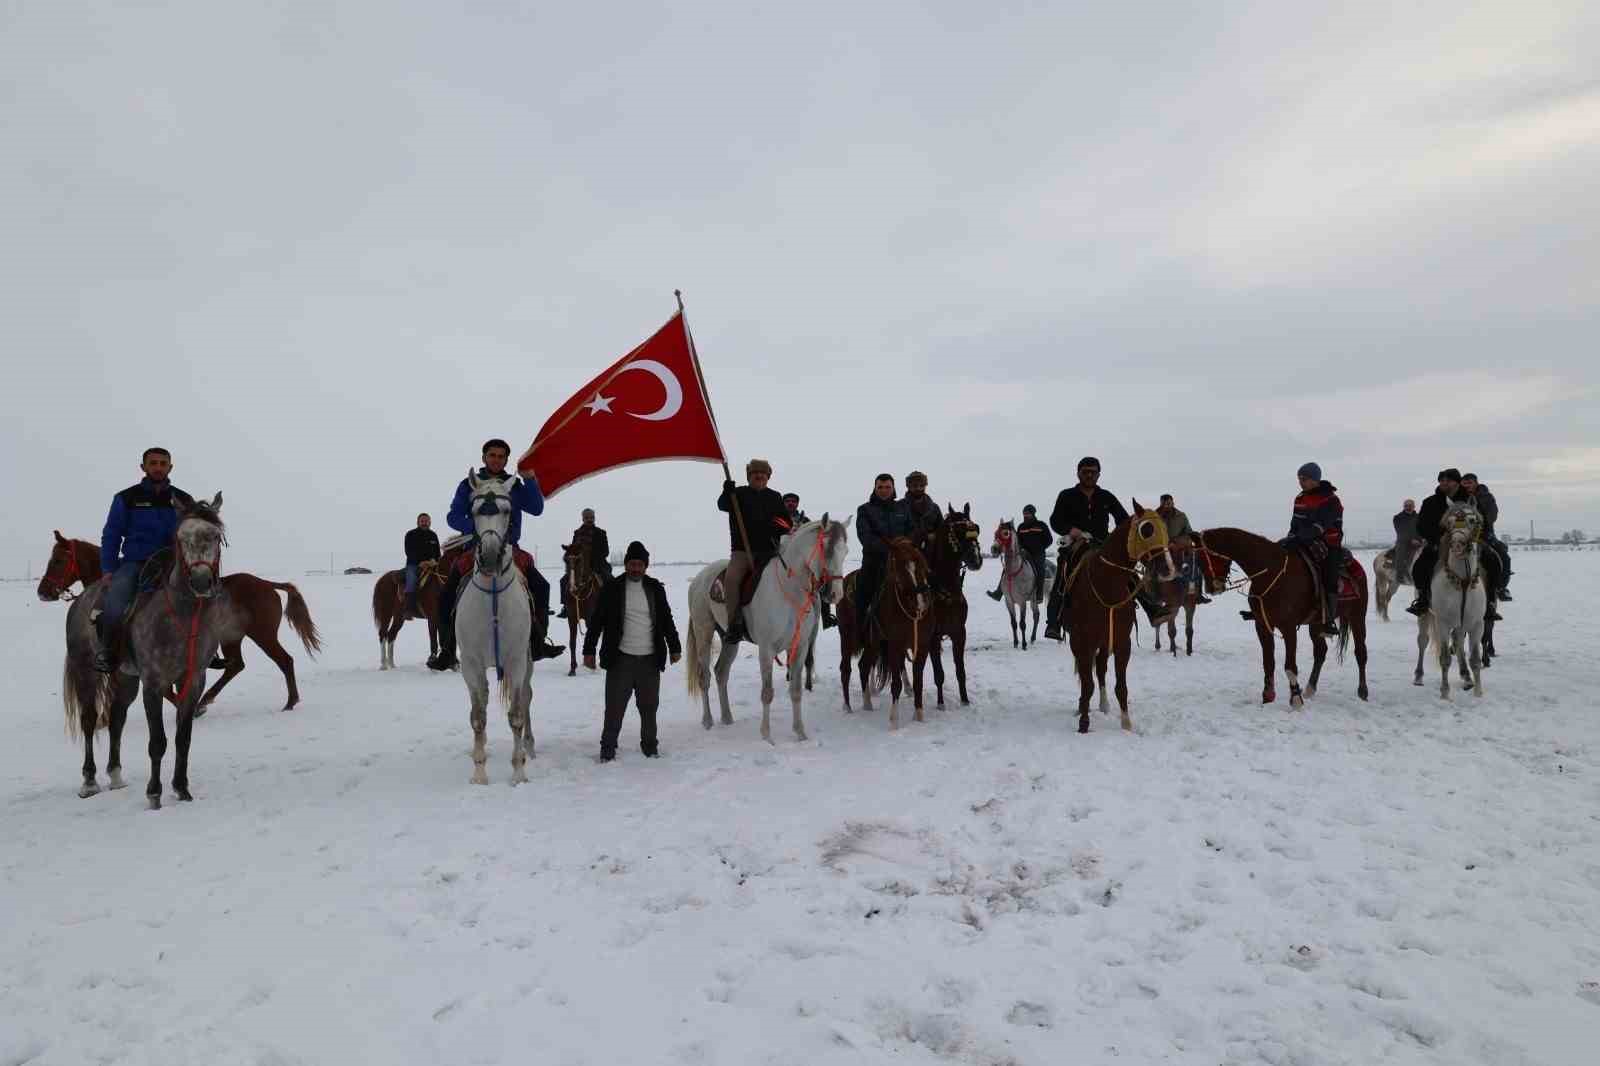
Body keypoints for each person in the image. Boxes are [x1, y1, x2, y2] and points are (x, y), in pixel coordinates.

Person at [427, 438, 564, 670]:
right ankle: (448, 650)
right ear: (484, 458)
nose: (496, 460)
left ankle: (538, 642)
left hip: (511, 548)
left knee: (541, 586)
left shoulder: (514, 485)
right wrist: (476, 527)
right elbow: (453, 517)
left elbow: (537, 509)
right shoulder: (469, 485)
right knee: (446, 594)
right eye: (492, 455)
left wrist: (530, 479)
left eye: (501, 456)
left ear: (506, 460)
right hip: (474, 548)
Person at [1044, 456, 1170, 640]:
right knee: (1063, 576)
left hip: (1102, 544)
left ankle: (1152, 609)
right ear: (1078, 473)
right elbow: (1055, 520)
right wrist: (1072, 530)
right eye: (1085, 472)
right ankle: (1053, 623)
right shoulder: (1066, 495)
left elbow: (1122, 519)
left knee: (1127, 572)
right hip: (1076, 545)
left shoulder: (1106, 496)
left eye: (1093, 472)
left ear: (1098, 474)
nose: (1089, 475)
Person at [93, 447, 195, 673]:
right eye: (153, 463)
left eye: (162, 463)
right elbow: (111, 534)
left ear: (170, 467)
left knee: (202, 598)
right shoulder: (126, 498)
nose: (158, 467)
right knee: (116, 599)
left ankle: (207, 651)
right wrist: (109, 568)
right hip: (136, 563)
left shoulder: (184, 500)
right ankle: (109, 652)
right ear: (143, 467)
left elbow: (193, 533)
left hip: (173, 564)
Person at [583, 541, 682, 762]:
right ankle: (608, 748)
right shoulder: (612, 588)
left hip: (649, 660)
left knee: (649, 707)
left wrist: (674, 646)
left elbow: (666, 619)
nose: (635, 568)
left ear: (646, 566)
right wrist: (588, 650)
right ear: (626, 564)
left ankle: (649, 746)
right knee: (614, 708)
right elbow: (597, 620)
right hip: (620, 660)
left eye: (640, 564)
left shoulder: (655, 588)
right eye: (632, 564)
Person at [717, 459, 793, 643]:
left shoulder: (775, 497)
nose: (759, 476)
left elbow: (786, 523)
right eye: (755, 474)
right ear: (749, 476)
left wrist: (772, 527)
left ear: (768, 477)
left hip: (769, 552)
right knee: (732, 580)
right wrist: (727, 491)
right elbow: (722, 505)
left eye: (763, 474)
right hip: (742, 552)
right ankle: (734, 624)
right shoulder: (738, 494)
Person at [1280, 463, 1344, 636]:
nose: (1301, 482)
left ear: (1315, 479)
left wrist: (1299, 539)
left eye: (1304, 479)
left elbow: (1320, 526)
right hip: (1302, 540)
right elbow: (1295, 523)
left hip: (1328, 543)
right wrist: (1290, 538)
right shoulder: (1300, 498)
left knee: (1329, 574)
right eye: (1299, 479)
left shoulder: (1331, 499)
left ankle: (1328, 619)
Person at [855, 473, 915, 631]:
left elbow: (912, 531)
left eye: (887, 487)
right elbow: (865, 536)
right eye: (880, 487)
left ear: (893, 488)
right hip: (874, 562)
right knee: (863, 588)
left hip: (902, 560)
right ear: (874, 489)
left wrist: (904, 546)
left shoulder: (903, 508)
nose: (884, 490)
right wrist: (889, 549)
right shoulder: (865, 510)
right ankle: (861, 626)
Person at [1460, 473, 1512, 600]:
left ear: (1476, 483)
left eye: (1470, 483)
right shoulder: (1458, 498)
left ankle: (1501, 587)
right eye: (1464, 483)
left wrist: (1480, 524)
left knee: (1503, 555)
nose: (1467, 486)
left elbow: (1492, 515)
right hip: (1462, 533)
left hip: (1484, 533)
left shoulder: (1486, 497)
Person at [987, 504, 1052, 604]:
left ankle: (1039, 594)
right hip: (1024, 553)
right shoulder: (1021, 527)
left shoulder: (1041, 525)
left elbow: (1049, 540)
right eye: (1024, 514)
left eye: (1027, 514)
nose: (1025, 516)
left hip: (1037, 554)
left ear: (1033, 514)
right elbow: (1018, 541)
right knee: (1008, 568)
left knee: (1040, 569)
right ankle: (998, 593)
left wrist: (1040, 548)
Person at [557, 508, 612, 617]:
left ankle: (611, 605)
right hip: (579, 566)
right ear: (583, 518)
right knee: (564, 580)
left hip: (598, 565)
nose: (589, 519)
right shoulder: (577, 533)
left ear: (594, 518)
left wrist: (592, 559)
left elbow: (605, 551)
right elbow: (572, 549)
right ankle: (566, 606)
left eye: (591, 517)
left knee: (609, 579)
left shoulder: (601, 533)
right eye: (587, 517)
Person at [1157, 494, 1210, 604]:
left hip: (1179, 548)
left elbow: (1188, 533)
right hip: (1160, 549)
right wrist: (1164, 543)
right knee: (1151, 569)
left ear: (1173, 502)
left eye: (1169, 503)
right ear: (1161, 504)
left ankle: (1197, 594)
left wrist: (1176, 542)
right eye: (1165, 503)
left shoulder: (1181, 516)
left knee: (1195, 566)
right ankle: (1152, 595)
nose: (1168, 505)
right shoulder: (1155, 517)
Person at [403, 513, 441, 616]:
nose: (424, 523)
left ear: (430, 522)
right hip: (414, 565)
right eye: (422, 521)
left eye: (426, 521)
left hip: (432, 565)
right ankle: (408, 608)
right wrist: (420, 562)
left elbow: (438, 553)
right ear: (418, 522)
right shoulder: (410, 534)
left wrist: (435, 560)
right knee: (411, 580)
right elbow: (408, 551)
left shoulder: (433, 535)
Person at [902, 471, 943, 544]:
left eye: (922, 485)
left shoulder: (934, 508)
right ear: (908, 486)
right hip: (907, 549)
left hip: (931, 551)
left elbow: (942, 529)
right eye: (915, 485)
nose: (918, 488)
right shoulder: (899, 506)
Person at [1392, 499, 1419, 587]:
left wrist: (1419, 539)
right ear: (1404, 507)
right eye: (1406, 505)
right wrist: (1411, 540)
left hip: (1418, 541)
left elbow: (1421, 529)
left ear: (1414, 506)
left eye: (1410, 505)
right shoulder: (1398, 517)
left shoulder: (1419, 517)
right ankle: (1399, 575)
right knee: (1400, 553)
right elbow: (1400, 530)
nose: (1408, 507)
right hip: (1403, 541)